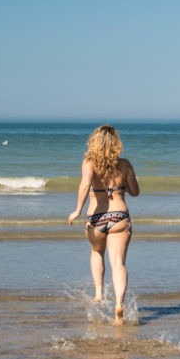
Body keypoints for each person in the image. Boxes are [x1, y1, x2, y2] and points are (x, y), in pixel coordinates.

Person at [68, 124, 140, 323]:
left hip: (96, 217)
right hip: (119, 216)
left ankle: (99, 294)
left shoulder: (89, 162)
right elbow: (135, 192)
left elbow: (84, 185)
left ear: (94, 141)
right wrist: (122, 184)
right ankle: (119, 304)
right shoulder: (125, 164)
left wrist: (78, 210)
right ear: (116, 143)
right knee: (118, 263)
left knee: (97, 252)